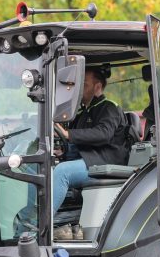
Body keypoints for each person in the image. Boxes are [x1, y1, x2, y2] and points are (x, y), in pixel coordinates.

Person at [52, 67, 128, 218]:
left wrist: (68, 134)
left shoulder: (109, 107)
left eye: (84, 85)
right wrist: (63, 151)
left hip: (104, 163)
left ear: (97, 87)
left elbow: (103, 134)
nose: (79, 90)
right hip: (90, 160)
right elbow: (78, 142)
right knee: (39, 169)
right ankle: (29, 221)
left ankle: (41, 228)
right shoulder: (83, 112)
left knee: (62, 172)